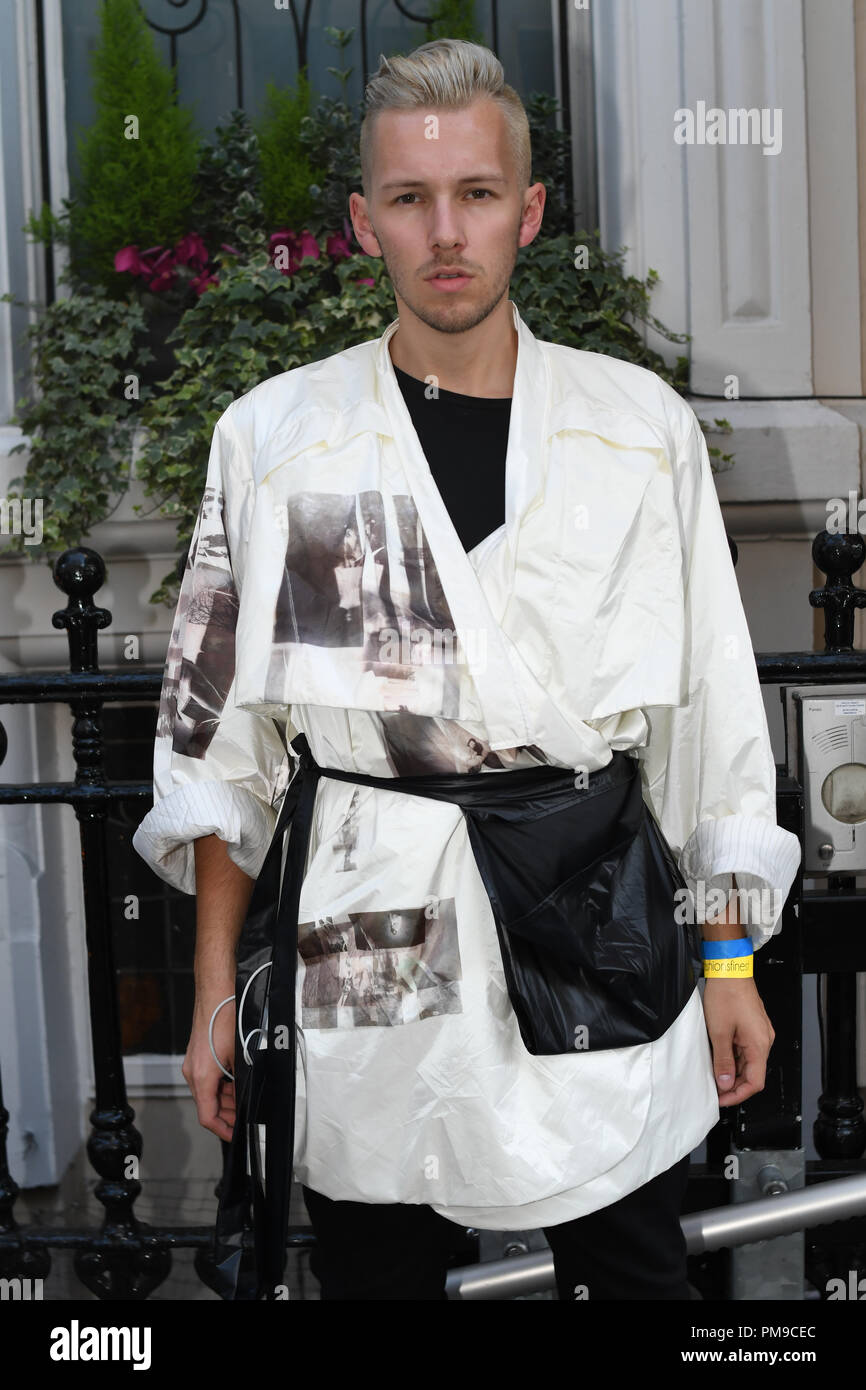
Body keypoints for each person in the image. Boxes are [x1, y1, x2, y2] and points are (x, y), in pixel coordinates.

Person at [132, 38, 801, 1301]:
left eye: (477, 194)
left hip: (593, 912)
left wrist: (728, 965)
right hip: (364, 925)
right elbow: (219, 746)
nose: (446, 231)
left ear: (528, 211)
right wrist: (218, 991)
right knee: (380, 1270)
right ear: (361, 220)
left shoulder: (634, 429)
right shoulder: (277, 440)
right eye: (408, 197)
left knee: (639, 1275)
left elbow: (708, 719)